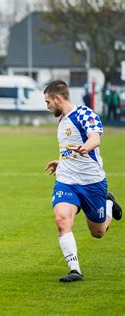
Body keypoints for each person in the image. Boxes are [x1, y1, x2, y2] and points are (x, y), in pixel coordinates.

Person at [43, 80, 122, 282]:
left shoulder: (85, 114)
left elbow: (95, 138)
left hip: (92, 182)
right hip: (66, 181)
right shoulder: (61, 120)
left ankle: (108, 202)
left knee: (98, 232)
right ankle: (75, 270)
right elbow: (69, 148)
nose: (47, 106)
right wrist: (60, 162)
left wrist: (87, 147)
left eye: (48, 101)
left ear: (58, 99)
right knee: (61, 219)